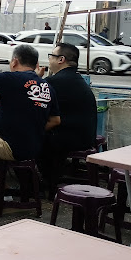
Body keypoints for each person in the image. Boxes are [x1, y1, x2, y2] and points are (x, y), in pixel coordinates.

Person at [37, 42, 97, 197]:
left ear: (61, 59)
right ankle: (49, 180)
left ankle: (47, 184)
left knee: (33, 138)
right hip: (86, 135)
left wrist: (36, 79)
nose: (49, 60)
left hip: (70, 137)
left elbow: (33, 102)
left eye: (51, 56)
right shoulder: (76, 78)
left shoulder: (56, 81)